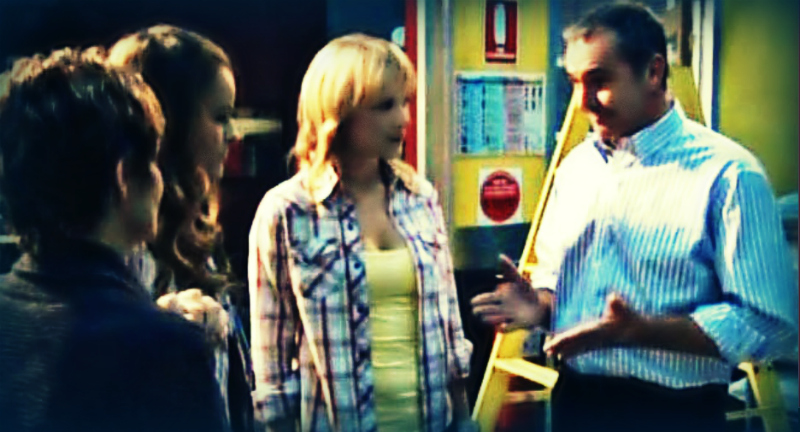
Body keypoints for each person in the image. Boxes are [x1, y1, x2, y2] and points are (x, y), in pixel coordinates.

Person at [471, 4, 798, 432]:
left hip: (677, 414)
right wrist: (540, 306)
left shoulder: (729, 175)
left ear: (654, 72)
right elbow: (556, 280)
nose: (583, 102)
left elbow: (768, 323)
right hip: (575, 402)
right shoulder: (576, 170)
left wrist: (641, 332)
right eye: (575, 82)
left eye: (600, 81)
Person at [248, 33, 473, 432]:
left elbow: (449, 326)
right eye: (385, 105)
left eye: (405, 102)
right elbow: (272, 361)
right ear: (341, 111)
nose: (403, 118)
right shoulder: (287, 210)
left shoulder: (419, 197)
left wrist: (464, 419)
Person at [0, 47, 227, 432]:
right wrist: (156, 325)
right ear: (124, 178)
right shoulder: (169, 352)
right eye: (152, 160)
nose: (159, 179)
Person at [107, 24, 253, 432]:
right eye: (221, 117)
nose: (233, 135)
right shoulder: (127, 243)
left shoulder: (192, 228)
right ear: (172, 122)